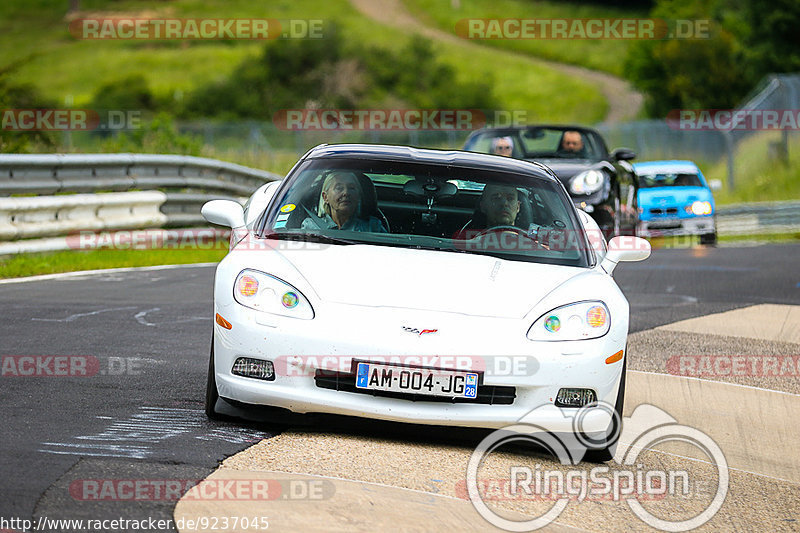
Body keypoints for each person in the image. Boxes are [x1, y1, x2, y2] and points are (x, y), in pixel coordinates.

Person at [301, 171, 386, 232]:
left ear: (359, 196)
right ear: (325, 197)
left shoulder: (373, 227)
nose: (346, 193)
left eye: (351, 188)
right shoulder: (311, 226)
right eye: (339, 188)